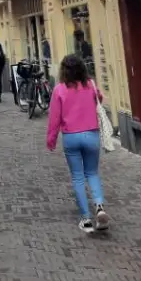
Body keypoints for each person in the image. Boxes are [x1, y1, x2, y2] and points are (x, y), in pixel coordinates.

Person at [47, 54, 109, 234]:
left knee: (77, 177)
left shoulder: (59, 89)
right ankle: (99, 206)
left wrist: (51, 140)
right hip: (91, 134)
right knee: (92, 173)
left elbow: (54, 118)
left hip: (71, 137)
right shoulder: (90, 85)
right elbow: (99, 99)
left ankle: (86, 219)